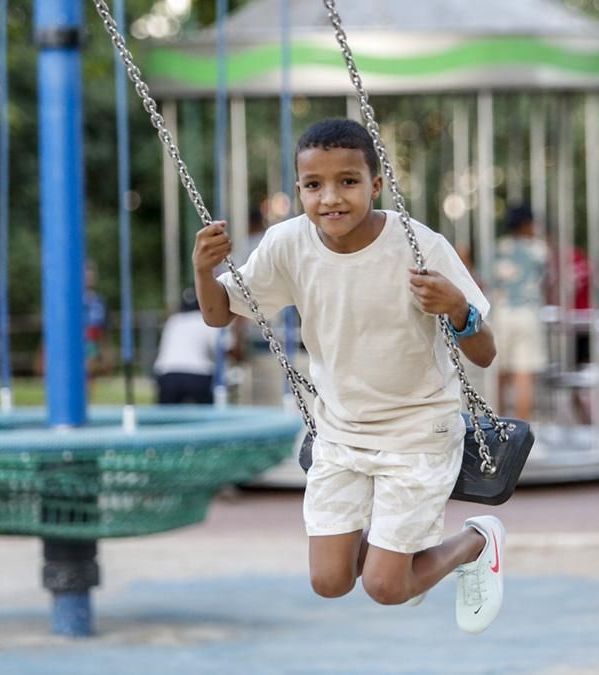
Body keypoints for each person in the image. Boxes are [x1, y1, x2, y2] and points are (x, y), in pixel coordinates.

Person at [192, 118, 507, 634]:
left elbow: (485, 352)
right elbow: (219, 312)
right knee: (330, 580)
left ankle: (477, 541)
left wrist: (457, 309)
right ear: (298, 189)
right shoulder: (288, 243)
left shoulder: (417, 244)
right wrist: (204, 271)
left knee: (386, 587)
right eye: (314, 185)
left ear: (376, 185)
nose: (330, 198)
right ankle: (403, 562)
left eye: (349, 182)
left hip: (417, 428)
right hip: (340, 430)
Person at [492, 205, 549, 420]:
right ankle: (523, 432)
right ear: (526, 224)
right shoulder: (538, 250)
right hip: (527, 313)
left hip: (502, 313)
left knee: (500, 375)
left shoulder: (500, 248)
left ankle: (499, 428)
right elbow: (546, 281)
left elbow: (486, 281)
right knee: (524, 376)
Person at [546, 231, 593, 424]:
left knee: (571, 378)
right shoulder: (579, 255)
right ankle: (585, 419)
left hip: (569, 326)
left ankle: (584, 419)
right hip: (584, 320)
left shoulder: (556, 261)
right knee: (580, 377)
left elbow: (556, 291)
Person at [153, 290, 227, 404]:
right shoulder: (207, 320)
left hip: (168, 374)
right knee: (207, 417)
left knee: (166, 418)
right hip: (198, 374)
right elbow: (221, 348)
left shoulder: (173, 321)